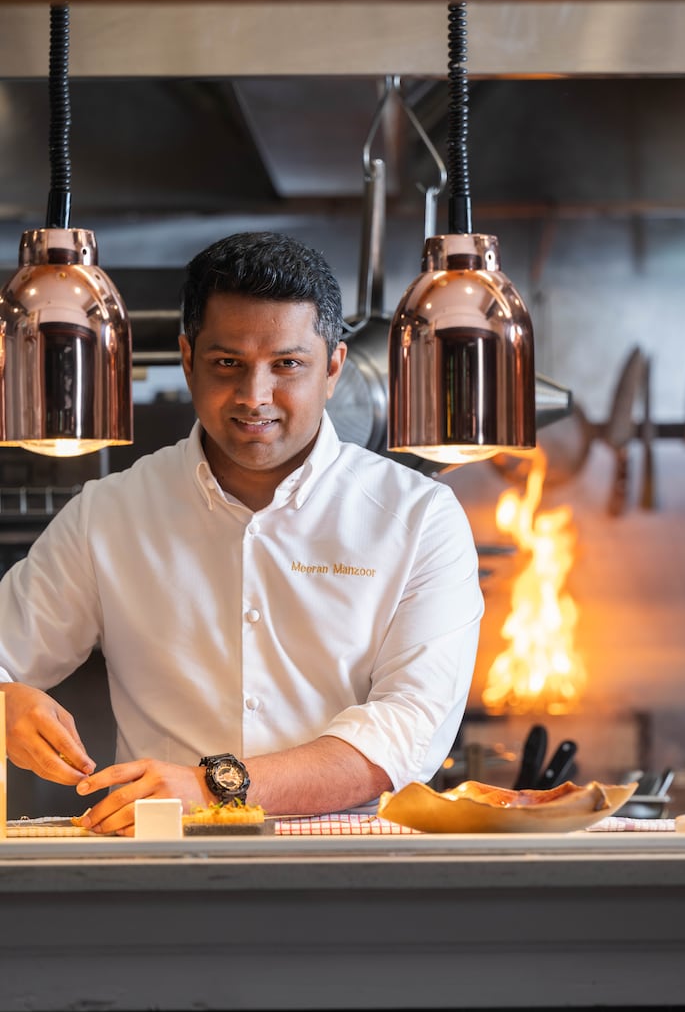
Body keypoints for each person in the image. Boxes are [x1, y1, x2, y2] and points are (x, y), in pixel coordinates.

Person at [0, 231, 484, 835]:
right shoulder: (109, 513)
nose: (255, 397)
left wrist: (212, 787)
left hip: (351, 864)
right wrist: (5, 704)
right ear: (187, 359)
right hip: (158, 862)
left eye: (287, 365)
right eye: (227, 363)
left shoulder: (419, 517)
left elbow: (407, 727)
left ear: (333, 367)